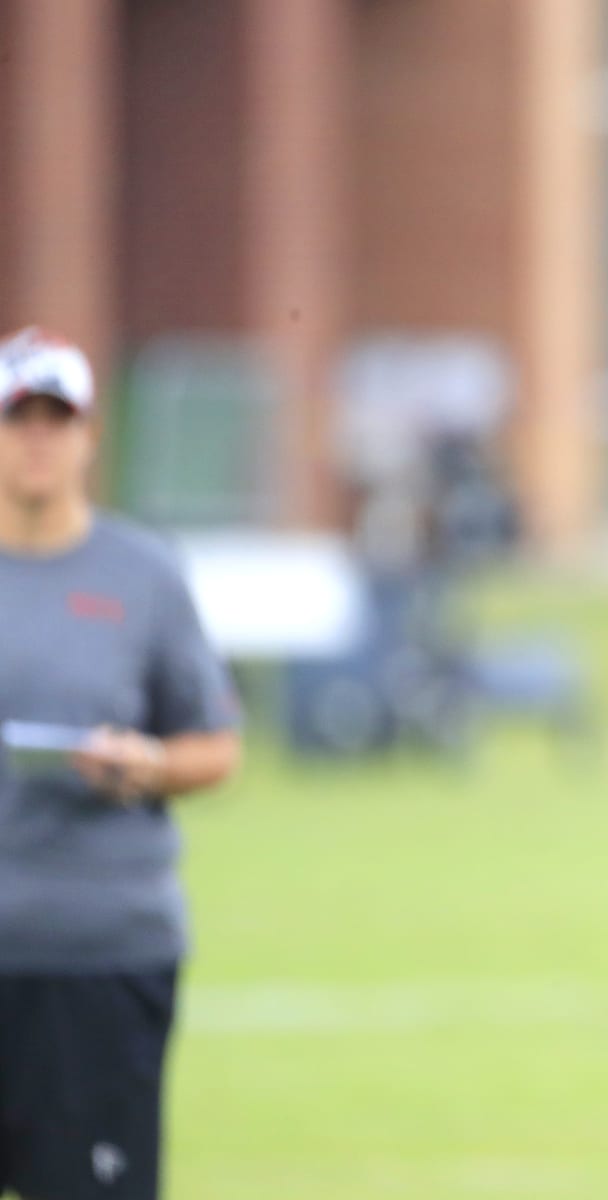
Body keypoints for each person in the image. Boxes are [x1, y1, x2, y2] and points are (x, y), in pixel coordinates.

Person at [0, 327, 242, 1200]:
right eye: (18, 418)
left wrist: (144, 763)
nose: (37, 439)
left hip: (98, 953)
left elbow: (216, 744)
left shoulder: (142, 574)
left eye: (55, 419)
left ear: (89, 434)